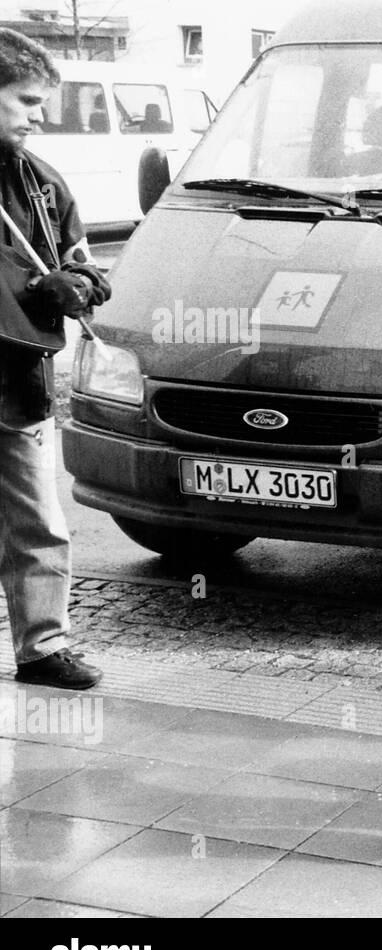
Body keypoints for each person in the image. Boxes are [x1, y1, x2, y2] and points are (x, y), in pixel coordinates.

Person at [0, 29, 110, 691]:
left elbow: (83, 259)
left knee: (38, 518)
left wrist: (83, 284)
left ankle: (42, 649)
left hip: (19, 387)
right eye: (25, 100)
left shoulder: (41, 181)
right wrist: (34, 289)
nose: (38, 117)